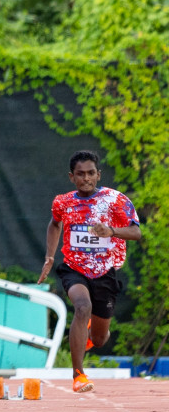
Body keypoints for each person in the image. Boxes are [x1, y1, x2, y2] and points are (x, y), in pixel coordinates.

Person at [39, 150, 142, 393]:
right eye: (80, 174)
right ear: (71, 177)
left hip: (105, 271)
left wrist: (111, 231)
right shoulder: (63, 202)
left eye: (91, 173)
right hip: (74, 269)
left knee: (99, 339)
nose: (86, 178)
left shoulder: (115, 200)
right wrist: (50, 256)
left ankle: (86, 332)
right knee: (82, 306)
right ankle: (78, 375)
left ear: (98, 175)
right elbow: (55, 224)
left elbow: (136, 233)